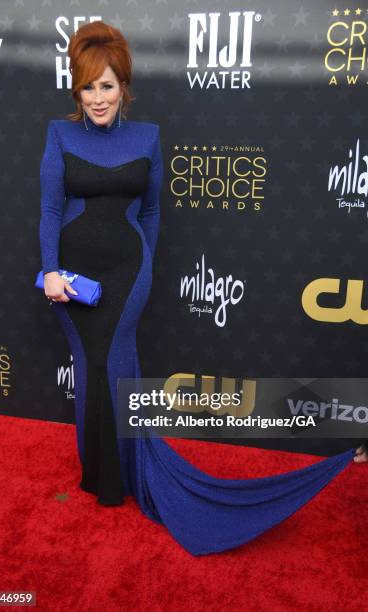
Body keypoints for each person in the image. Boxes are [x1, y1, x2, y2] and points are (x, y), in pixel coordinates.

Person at [38, 21, 364, 556]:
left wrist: (145, 261)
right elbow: (51, 208)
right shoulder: (59, 133)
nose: (98, 97)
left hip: (127, 273)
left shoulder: (148, 137)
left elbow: (153, 209)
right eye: (88, 86)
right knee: (91, 370)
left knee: (115, 366)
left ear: (124, 87)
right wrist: (50, 270)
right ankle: (96, 473)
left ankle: (121, 478)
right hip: (71, 276)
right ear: (76, 90)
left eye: (108, 85)